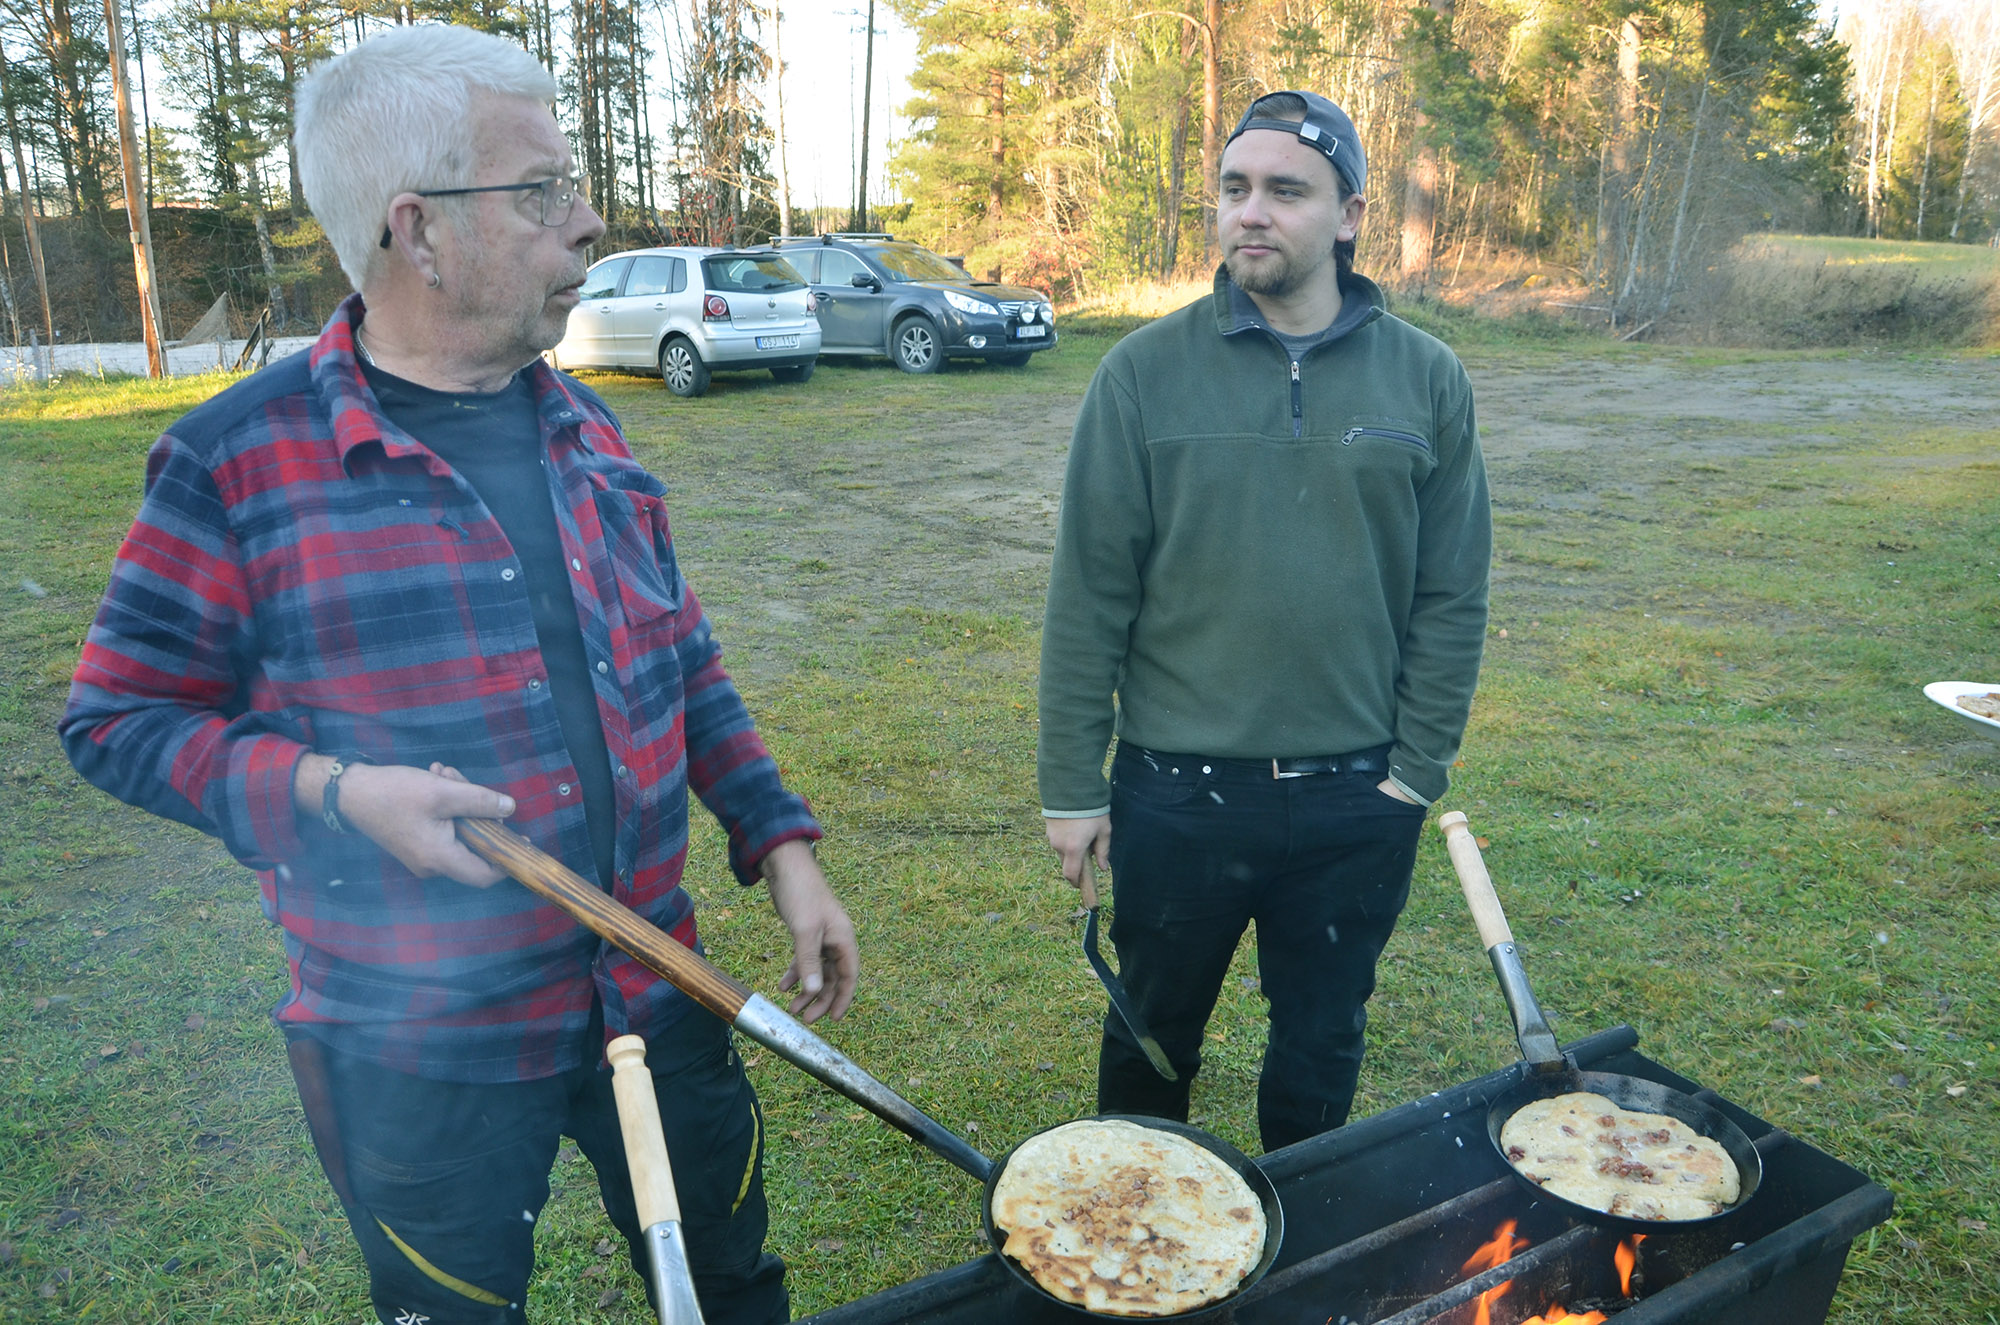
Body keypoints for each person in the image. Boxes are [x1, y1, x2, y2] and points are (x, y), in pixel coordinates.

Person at [59, 24, 856, 1325]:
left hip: (658, 983)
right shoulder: (234, 467)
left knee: (731, 1289)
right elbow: (117, 722)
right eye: (542, 193)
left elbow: (679, 652)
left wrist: (782, 843)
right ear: (417, 231)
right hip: (415, 1047)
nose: (588, 223)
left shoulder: (586, 427)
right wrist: (333, 791)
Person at [1036, 90, 1491, 1154]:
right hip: (1175, 793)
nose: (1251, 212)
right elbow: (1086, 595)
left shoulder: (1425, 377)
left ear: (1347, 215)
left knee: (1321, 1046)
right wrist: (1070, 786)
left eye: (1286, 190)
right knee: (1150, 1041)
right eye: (1234, 188)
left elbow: (1450, 593)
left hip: (1354, 800)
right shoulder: (1140, 375)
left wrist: (1413, 772)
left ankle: (1303, 1252)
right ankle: (1138, 1253)